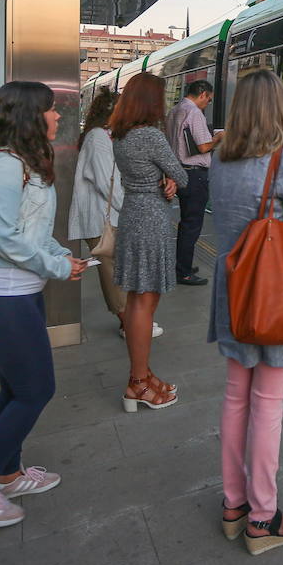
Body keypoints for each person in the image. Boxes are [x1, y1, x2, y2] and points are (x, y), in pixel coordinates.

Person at [0, 81, 87, 528]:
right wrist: (58, 268)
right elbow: (7, 241)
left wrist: (59, 255)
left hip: (18, 294)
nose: (57, 116)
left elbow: (31, 233)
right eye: (51, 110)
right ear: (30, 115)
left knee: (14, 389)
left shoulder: (22, 163)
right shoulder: (5, 167)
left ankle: (8, 474)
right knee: (36, 390)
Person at [209, 70, 283, 556]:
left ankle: (235, 505)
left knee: (237, 396)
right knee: (269, 405)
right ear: (278, 108)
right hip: (275, 295)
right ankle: (263, 517)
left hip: (235, 291)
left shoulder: (219, 157)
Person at [109, 72, 187, 412]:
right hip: (151, 219)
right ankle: (138, 383)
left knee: (139, 298)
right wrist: (171, 177)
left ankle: (143, 375)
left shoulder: (121, 136)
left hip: (132, 214)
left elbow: (154, 175)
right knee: (143, 302)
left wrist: (164, 178)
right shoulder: (152, 137)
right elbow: (182, 174)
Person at [68, 88, 162, 340]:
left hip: (109, 217)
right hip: (102, 219)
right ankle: (128, 322)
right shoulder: (98, 138)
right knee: (114, 272)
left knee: (120, 270)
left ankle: (129, 321)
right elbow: (106, 184)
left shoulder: (106, 136)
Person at [165, 80, 221, 286]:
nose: (207, 104)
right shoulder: (194, 113)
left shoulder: (175, 110)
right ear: (203, 94)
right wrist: (219, 137)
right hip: (194, 174)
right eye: (208, 100)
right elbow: (204, 146)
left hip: (178, 171)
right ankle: (184, 273)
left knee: (185, 223)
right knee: (192, 225)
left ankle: (183, 265)